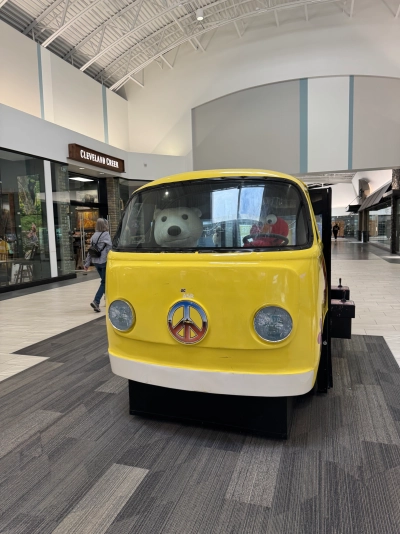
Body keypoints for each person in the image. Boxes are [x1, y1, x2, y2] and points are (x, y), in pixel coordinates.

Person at [84, 218, 112, 312]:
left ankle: (107, 300)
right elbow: (109, 248)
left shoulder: (94, 236)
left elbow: (90, 251)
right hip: (104, 261)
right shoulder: (106, 234)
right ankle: (96, 301)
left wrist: (87, 263)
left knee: (104, 282)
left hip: (95, 262)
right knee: (105, 282)